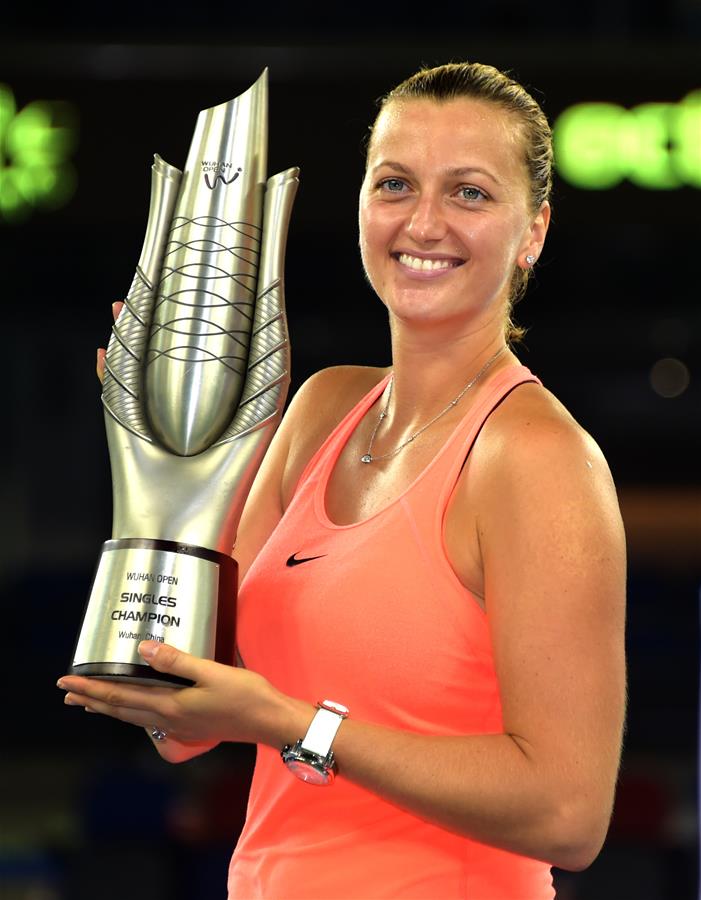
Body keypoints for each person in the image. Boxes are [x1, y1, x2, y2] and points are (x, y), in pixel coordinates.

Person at [58, 61, 627, 899]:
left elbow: (567, 816)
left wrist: (293, 724)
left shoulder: (536, 458)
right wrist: (168, 483)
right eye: (395, 184)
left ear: (532, 230)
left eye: (468, 193)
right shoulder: (321, 409)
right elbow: (182, 724)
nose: (422, 222)